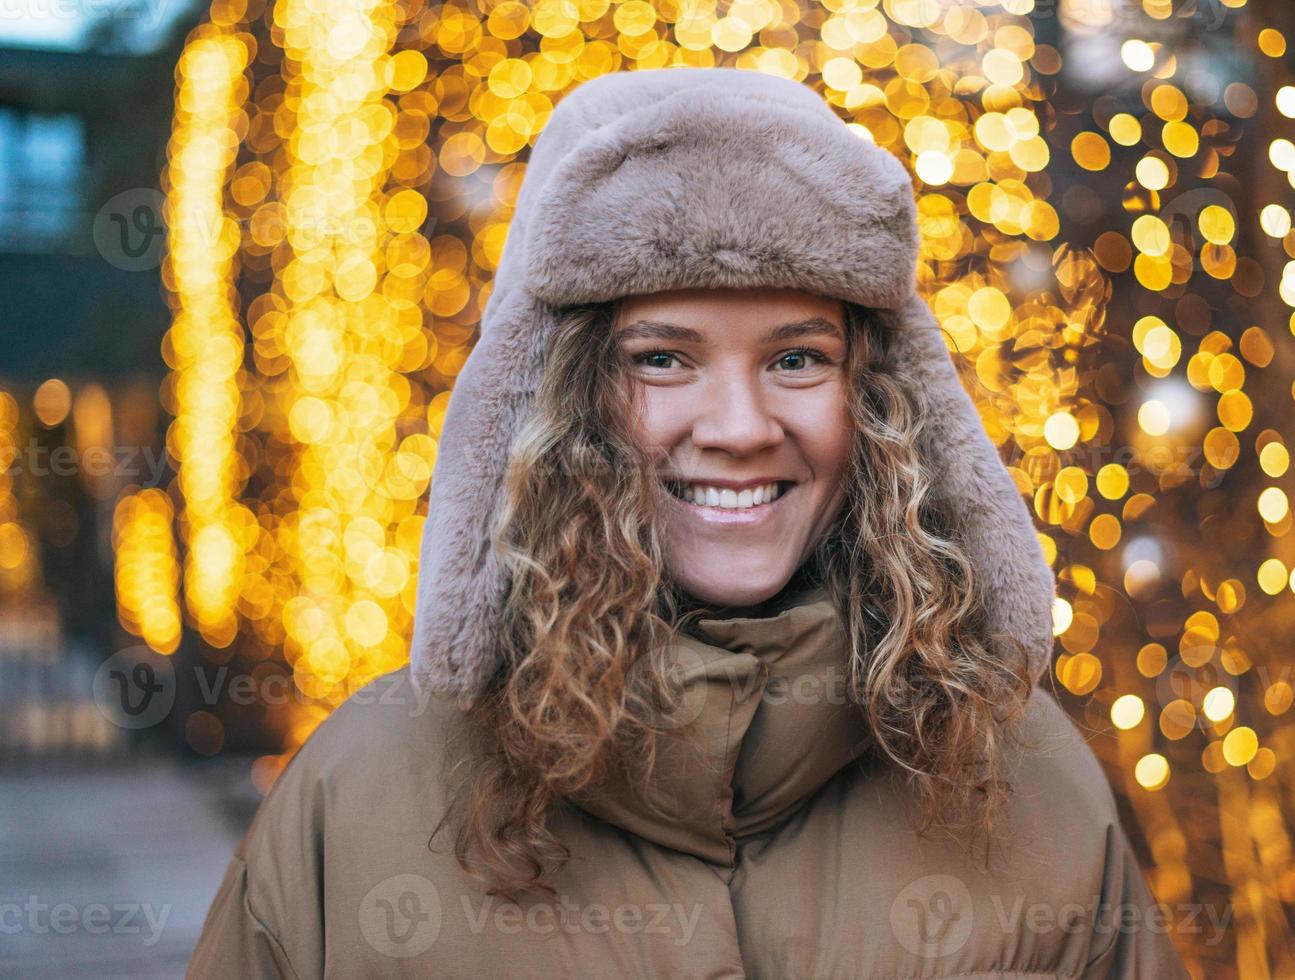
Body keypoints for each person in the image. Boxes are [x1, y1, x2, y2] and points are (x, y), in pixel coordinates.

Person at [187, 66, 1192, 978]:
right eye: (662, 358)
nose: (741, 428)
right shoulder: (356, 802)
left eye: (797, 357)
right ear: (558, 396)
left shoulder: (1026, 780)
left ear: (881, 400)